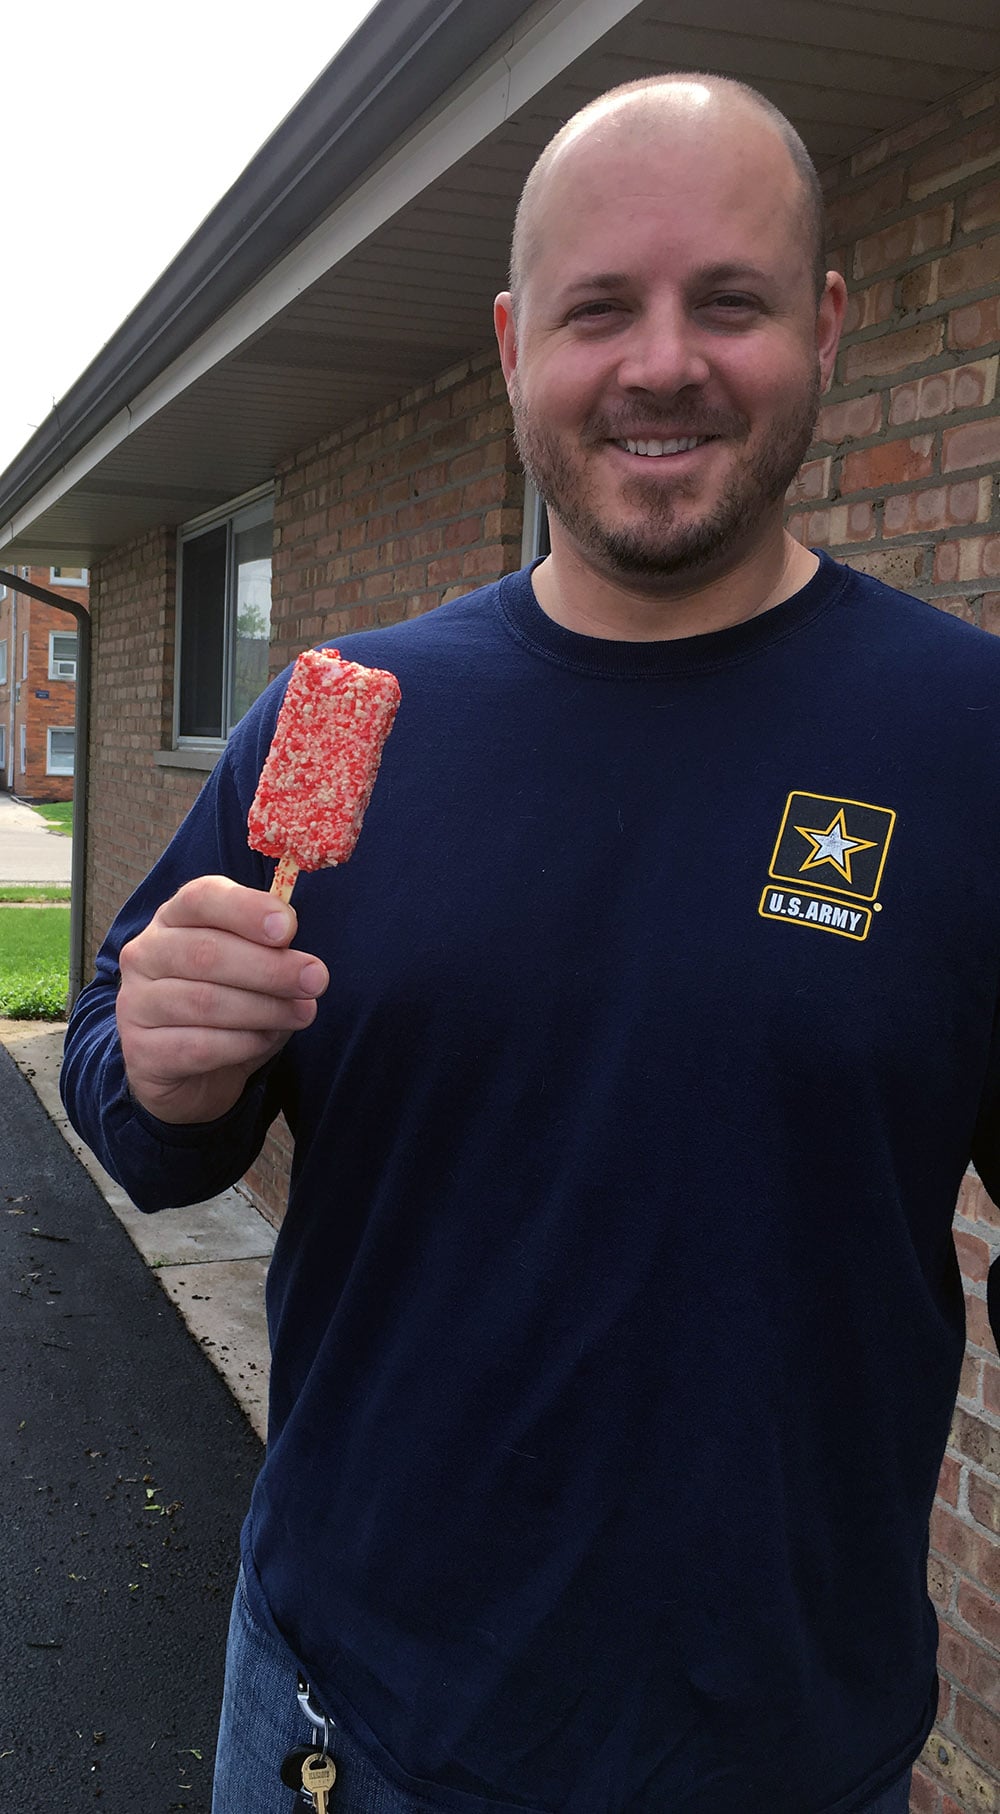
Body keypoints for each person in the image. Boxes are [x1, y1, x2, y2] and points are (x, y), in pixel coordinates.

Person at [60, 73, 1000, 1814]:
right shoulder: (339, 715)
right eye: (597, 309)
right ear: (511, 344)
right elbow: (126, 1100)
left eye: (729, 299)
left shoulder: (970, 740)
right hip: (351, 1718)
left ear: (828, 323)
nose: (661, 361)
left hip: (793, 1752)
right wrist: (169, 1062)